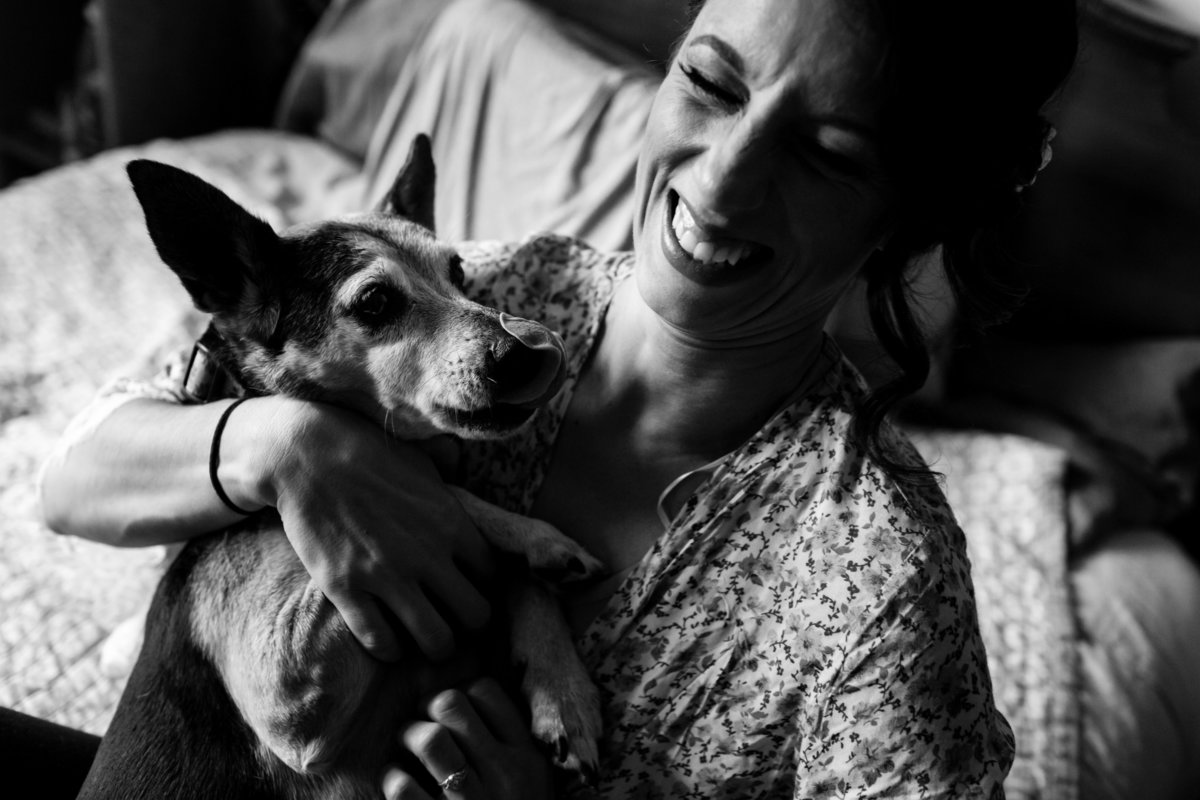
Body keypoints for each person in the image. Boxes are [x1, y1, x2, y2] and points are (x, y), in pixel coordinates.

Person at [39, 0, 1078, 796]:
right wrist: (289, 449)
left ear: (903, 221)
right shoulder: (493, 291)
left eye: (823, 155)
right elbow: (77, 476)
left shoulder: (877, 588)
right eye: (711, 85)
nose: (718, 183)